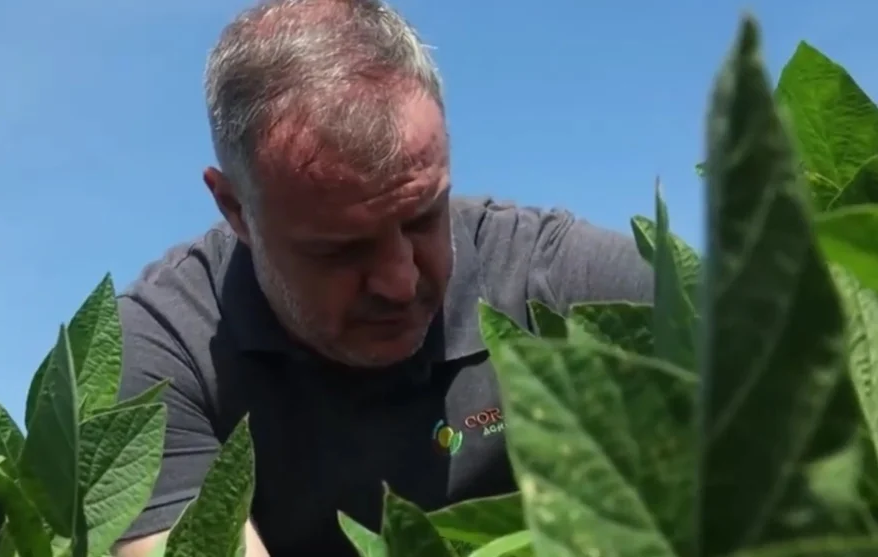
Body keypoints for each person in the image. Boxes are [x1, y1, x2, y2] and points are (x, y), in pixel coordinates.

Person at [112, 0, 652, 555]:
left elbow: (736, 339)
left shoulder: (547, 276)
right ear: (235, 209)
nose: (398, 281)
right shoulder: (163, 352)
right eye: (340, 249)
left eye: (423, 218)